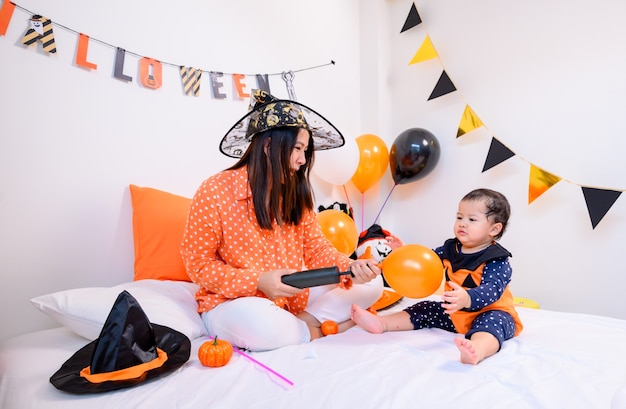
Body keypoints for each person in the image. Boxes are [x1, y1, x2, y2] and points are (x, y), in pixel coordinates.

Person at [181, 90, 383, 352]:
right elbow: (198, 265)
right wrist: (258, 282)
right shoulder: (215, 190)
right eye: (297, 149)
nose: (302, 160)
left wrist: (351, 267)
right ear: (268, 147)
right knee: (260, 323)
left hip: (291, 299)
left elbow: (316, 250)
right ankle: (321, 330)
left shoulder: (293, 194)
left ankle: (304, 325)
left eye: (304, 150)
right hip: (233, 302)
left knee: (372, 284)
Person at [351, 188, 523, 365]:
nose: (463, 223)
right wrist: (403, 253)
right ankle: (382, 323)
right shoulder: (450, 248)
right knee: (425, 309)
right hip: (455, 312)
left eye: (472, 219)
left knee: (493, 325)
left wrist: (467, 298)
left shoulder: (496, 259)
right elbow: (427, 262)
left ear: (494, 229)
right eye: (459, 217)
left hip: (490, 311)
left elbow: (492, 290)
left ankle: (477, 349)